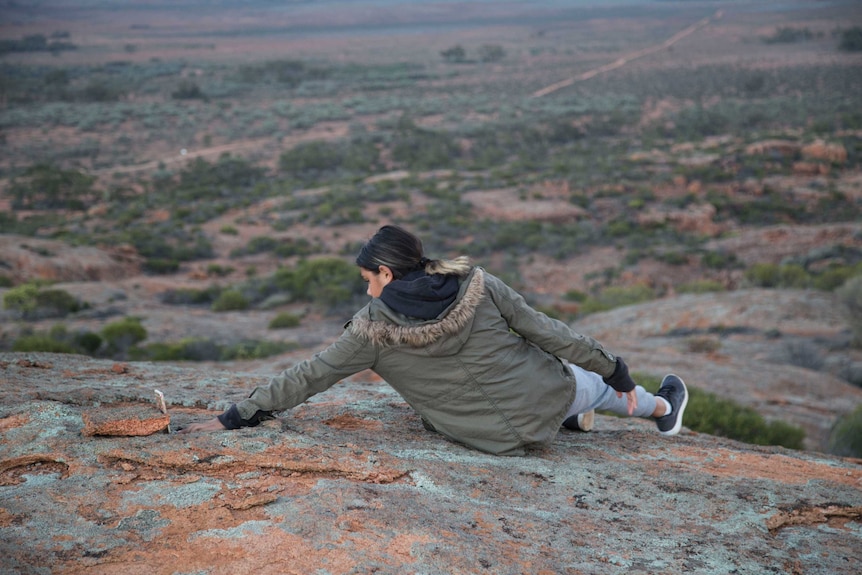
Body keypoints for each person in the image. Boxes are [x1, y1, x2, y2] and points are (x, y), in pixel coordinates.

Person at [181, 224, 688, 456]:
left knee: (571, 386)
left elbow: (307, 377)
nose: (366, 288)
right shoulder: (480, 285)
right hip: (540, 395)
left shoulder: (369, 332)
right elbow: (552, 334)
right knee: (588, 380)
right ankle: (661, 411)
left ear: (385, 272)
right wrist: (615, 370)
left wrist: (236, 416)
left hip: (483, 438)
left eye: (368, 278)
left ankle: (577, 414)